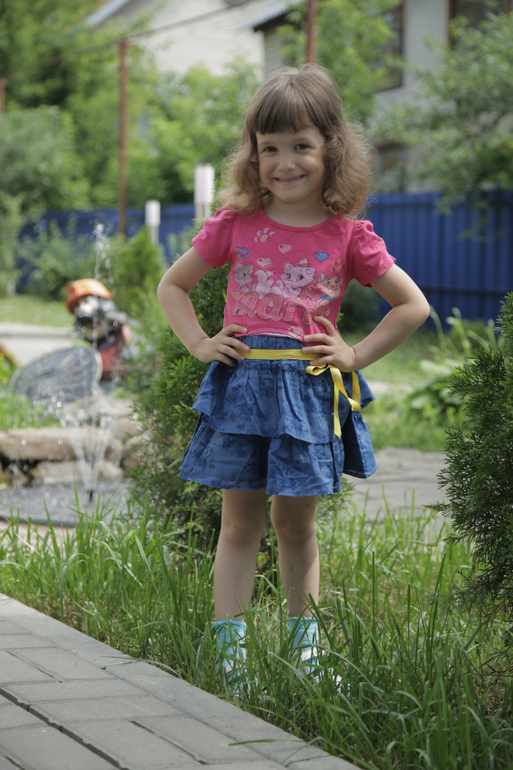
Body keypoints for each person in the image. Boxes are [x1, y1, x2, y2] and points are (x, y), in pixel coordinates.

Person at [157, 64, 430, 689]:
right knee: (240, 524)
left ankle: (307, 652)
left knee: (295, 525)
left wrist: (354, 356)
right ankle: (232, 656)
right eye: (270, 147)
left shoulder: (348, 236)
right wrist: (199, 343)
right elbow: (173, 285)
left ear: (331, 149)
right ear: (253, 155)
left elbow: (412, 306)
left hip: (306, 398)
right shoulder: (235, 225)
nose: (285, 162)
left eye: (300, 145)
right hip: (241, 391)